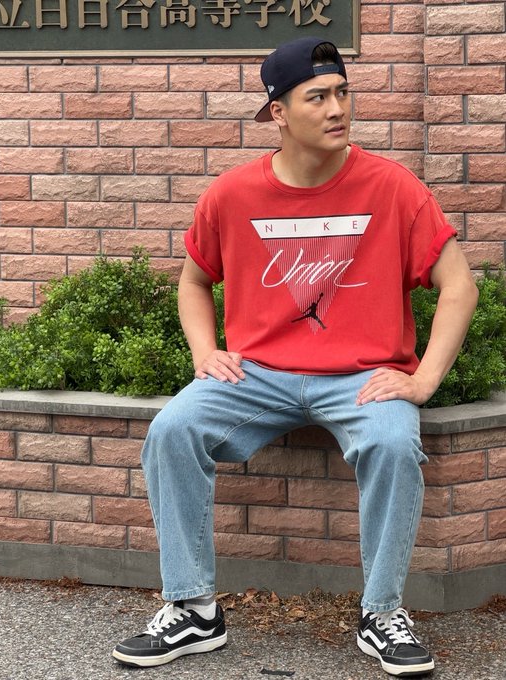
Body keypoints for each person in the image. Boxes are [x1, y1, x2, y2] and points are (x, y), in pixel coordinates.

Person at [112, 36, 478, 676]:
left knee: (393, 443)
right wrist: (205, 352)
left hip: (361, 379)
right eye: (317, 97)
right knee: (172, 429)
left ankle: (382, 612)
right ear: (278, 113)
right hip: (258, 376)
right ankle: (193, 609)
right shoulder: (232, 195)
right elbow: (193, 281)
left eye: (342, 93)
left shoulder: (392, 187)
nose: (337, 109)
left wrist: (422, 381)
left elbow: (460, 286)